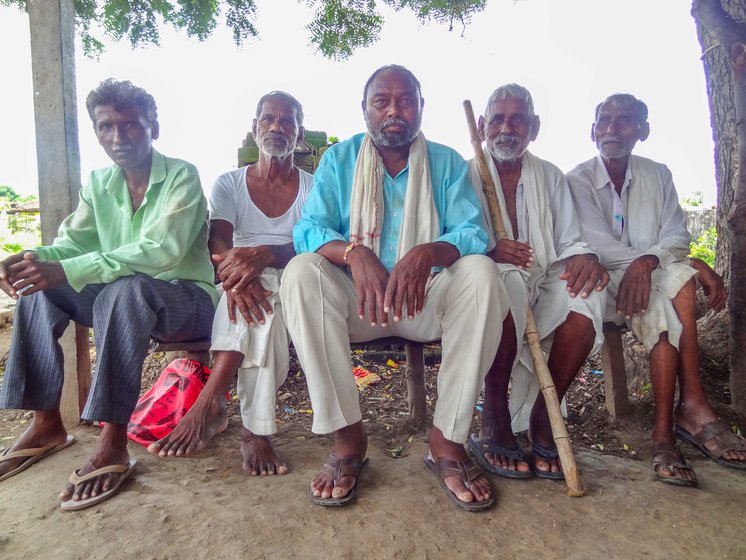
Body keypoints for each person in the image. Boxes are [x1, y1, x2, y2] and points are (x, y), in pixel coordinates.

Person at [280, 65, 508, 511]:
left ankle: (447, 442)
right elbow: (309, 228)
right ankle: (347, 440)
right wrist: (353, 253)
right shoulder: (339, 159)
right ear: (364, 109)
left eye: (405, 101)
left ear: (421, 108)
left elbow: (474, 233)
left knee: (482, 273)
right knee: (302, 271)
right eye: (381, 101)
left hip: (426, 300)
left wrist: (429, 252)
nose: (393, 111)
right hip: (358, 303)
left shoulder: (445, 163)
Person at [0, 79, 217, 509]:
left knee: (126, 288)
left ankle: (113, 438)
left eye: (131, 125)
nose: (118, 138)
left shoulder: (182, 176)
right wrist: (29, 259)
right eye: (106, 127)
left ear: (153, 126)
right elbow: (72, 245)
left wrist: (69, 268)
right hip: (125, 299)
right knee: (39, 290)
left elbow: (162, 251)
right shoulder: (99, 184)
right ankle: (47, 424)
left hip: (188, 301)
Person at [567, 93, 746, 486]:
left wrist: (649, 263)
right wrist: (656, 260)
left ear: (642, 131)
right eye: (604, 120)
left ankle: (671, 426)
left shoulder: (658, 173)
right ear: (592, 130)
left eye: (624, 120)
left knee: (674, 286)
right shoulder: (577, 179)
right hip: (602, 283)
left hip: (649, 280)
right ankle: (688, 412)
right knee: (679, 275)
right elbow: (595, 244)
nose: (612, 128)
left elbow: (677, 234)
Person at [147, 91, 312, 475]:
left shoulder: (311, 186)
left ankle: (210, 404)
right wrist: (236, 276)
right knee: (262, 314)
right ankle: (255, 432)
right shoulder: (230, 183)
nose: (277, 127)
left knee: (267, 292)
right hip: (238, 278)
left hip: (293, 277)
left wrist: (264, 258)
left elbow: (309, 244)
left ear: (299, 134)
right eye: (268, 118)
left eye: (287, 121)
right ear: (254, 129)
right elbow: (218, 241)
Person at [466, 84, 608, 480]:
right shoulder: (464, 175)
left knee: (588, 292)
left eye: (518, 119)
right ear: (481, 126)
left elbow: (570, 240)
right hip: (488, 287)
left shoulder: (550, 176)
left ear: (535, 127)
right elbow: (453, 241)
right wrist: (489, 251)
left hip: (543, 282)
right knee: (501, 279)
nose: (506, 128)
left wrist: (585, 257)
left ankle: (545, 415)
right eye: (497, 119)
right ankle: (493, 414)